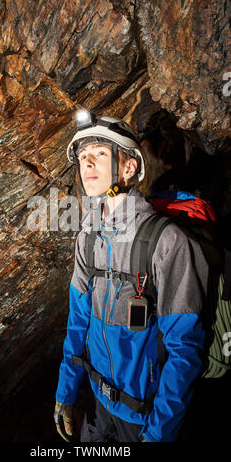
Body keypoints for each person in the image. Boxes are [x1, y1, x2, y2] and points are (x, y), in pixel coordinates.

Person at [54, 110, 209, 443]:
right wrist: (66, 392)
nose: (87, 165)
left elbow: (184, 351)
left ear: (129, 167)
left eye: (99, 154)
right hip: (96, 411)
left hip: (145, 419)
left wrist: (159, 434)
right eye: (82, 157)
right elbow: (78, 322)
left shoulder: (168, 243)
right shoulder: (88, 238)